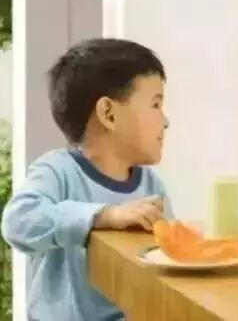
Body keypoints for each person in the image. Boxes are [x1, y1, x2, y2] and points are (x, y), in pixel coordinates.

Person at [1, 38, 174, 320]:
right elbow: (18, 222)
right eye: (156, 104)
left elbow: (167, 262)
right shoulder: (58, 170)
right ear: (109, 114)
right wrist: (102, 216)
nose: (165, 121)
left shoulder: (152, 185)